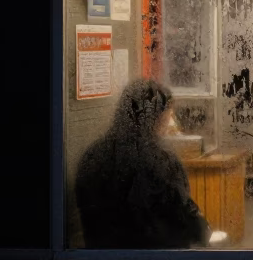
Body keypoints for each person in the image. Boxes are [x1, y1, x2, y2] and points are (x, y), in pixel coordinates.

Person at [75, 78, 210, 249]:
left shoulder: (93, 155)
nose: (169, 121)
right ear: (157, 117)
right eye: (168, 114)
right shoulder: (161, 160)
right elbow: (185, 216)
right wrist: (205, 233)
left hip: (101, 259)